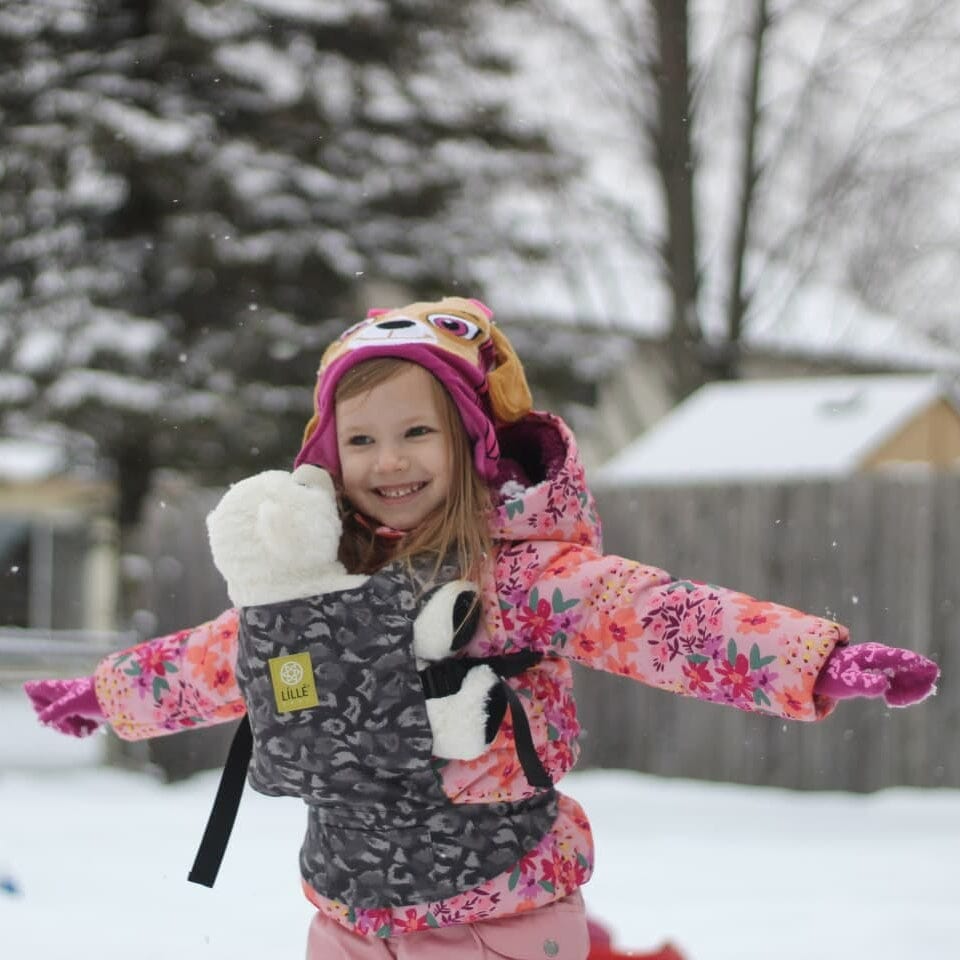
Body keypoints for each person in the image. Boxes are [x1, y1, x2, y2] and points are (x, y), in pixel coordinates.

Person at [24, 296, 940, 960]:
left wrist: (819, 662)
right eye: (362, 439)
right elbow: (214, 659)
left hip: (494, 919)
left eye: (415, 432)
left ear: (472, 442)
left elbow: (661, 620)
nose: (388, 460)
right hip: (347, 918)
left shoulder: (520, 574)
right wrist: (104, 695)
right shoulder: (321, 586)